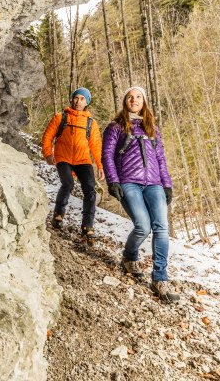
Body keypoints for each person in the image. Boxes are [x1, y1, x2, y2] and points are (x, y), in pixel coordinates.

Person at [102, 86, 179, 302]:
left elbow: (161, 160)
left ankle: (160, 278)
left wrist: (167, 184)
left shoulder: (152, 129)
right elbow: (106, 155)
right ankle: (129, 256)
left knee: (162, 227)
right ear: (124, 101)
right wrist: (113, 181)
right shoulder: (115, 127)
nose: (134, 100)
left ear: (143, 101)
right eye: (130, 97)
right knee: (143, 227)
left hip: (154, 184)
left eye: (138, 97)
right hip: (128, 183)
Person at [41, 87, 104, 242]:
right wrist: (48, 154)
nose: (78, 101)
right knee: (68, 183)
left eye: (82, 99)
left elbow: (96, 145)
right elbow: (48, 136)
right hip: (63, 158)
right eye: (76, 98)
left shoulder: (91, 123)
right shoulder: (60, 117)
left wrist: (100, 165)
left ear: (87, 102)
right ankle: (58, 214)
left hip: (83, 161)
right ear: (72, 99)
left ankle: (87, 226)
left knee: (90, 190)